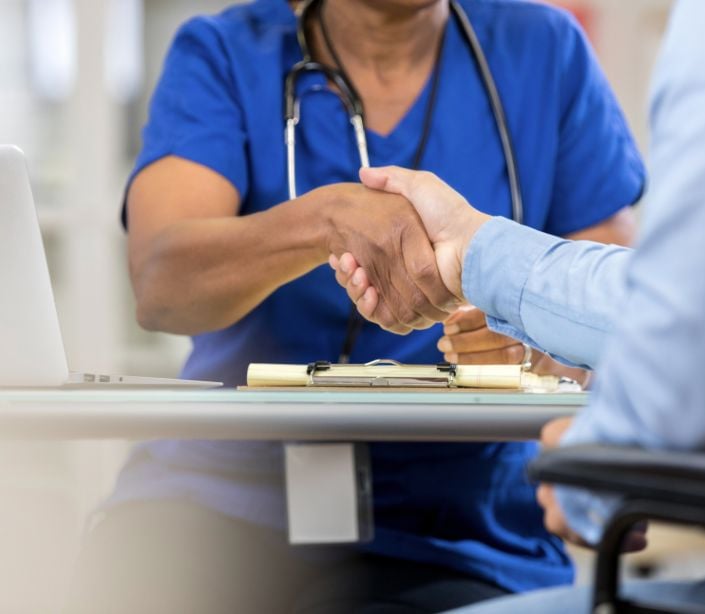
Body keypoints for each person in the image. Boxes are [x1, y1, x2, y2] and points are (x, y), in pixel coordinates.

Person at [64, 1, 644, 612]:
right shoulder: (228, 51)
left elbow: (620, 319)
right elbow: (162, 284)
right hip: (221, 496)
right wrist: (325, 218)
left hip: (460, 525)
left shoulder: (543, 49)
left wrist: (537, 347)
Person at [332, 0, 705, 611]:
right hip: (245, 502)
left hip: (482, 522)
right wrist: (473, 251)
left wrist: (598, 462)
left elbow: (686, 349)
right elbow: (677, 304)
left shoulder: (703, 31)